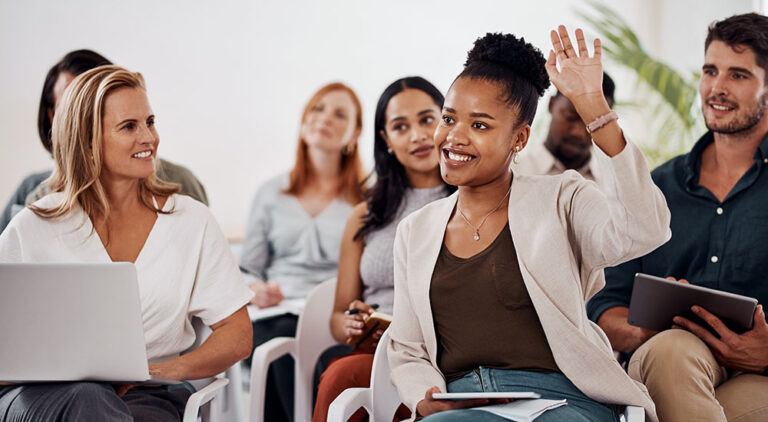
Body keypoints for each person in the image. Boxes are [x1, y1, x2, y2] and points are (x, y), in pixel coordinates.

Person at [388, 27, 671, 422]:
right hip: (462, 407)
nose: (454, 137)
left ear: (519, 138)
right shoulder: (415, 230)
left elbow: (645, 228)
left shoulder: (562, 198)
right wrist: (425, 396)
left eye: (480, 125)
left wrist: (593, 108)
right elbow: (407, 347)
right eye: (449, 118)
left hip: (563, 402)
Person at [0, 65, 253, 421]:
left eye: (150, 122)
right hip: (39, 398)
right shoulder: (34, 225)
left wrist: (170, 370)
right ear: (87, 141)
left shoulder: (191, 222)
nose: (149, 137)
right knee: (88, 399)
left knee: (100, 407)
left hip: (148, 393)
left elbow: (238, 334)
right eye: (129, 127)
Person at [588, 13, 768, 422]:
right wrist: (642, 332)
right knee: (670, 351)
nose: (717, 89)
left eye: (738, 75)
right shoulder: (657, 187)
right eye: (710, 71)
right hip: (670, 361)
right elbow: (606, 303)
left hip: (760, 374)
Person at [312, 76, 455, 422]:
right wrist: (351, 325)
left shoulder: (473, 202)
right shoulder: (365, 215)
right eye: (400, 126)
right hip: (381, 350)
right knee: (340, 377)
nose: (417, 135)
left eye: (427, 119)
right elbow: (338, 315)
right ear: (386, 140)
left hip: (450, 351)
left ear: (448, 121)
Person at [240, 82, 365, 421]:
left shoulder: (369, 198)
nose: (325, 118)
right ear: (303, 121)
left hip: (335, 317)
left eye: (340, 114)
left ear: (355, 133)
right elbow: (246, 269)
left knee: (329, 361)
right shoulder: (270, 193)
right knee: (276, 346)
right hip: (277, 313)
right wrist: (254, 290)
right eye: (317, 109)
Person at [0, 49, 208, 234]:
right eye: (72, 106)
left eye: (150, 122)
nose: (149, 137)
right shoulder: (38, 205)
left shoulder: (183, 191)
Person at [514, 73, 615, 180]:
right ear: (551, 104)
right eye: (570, 117)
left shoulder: (613, 187)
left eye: (593, 123)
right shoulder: (511, 175)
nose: (578, 132)